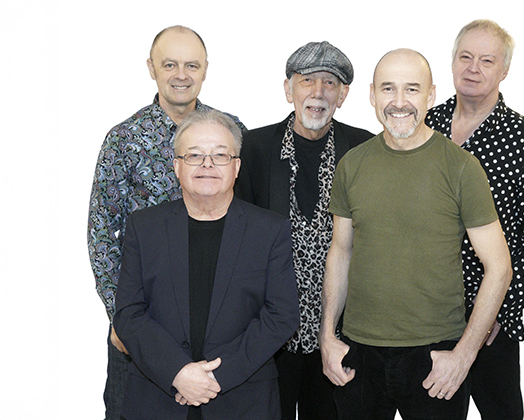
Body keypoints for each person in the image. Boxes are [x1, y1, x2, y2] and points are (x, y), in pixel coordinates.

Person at [319, 48, 513, 420]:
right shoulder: (352, 165)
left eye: (412, 89)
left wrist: (464, 355)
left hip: (435, 356)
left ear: (431, 95)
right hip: (359, 355)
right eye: (389, 89)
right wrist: (328, 337)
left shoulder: (460, 168)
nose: (399, 102)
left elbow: (499, 266)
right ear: (373, 95)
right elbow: (340, 252)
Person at [87, 25, 246, 420]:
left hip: (219, 324)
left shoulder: (231, 132)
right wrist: (120, 316)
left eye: (191, 64)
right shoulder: (124, 140)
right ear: (151, 68)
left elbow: (249, 223)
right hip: (143, 325)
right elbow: (102, 233)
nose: (181, 74)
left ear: (206, 69)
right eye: (169, 64)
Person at [112, 109, 300, 420]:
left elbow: (281, 315)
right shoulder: (143, 227)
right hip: (157, 401)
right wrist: (178, 372)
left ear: (237, 166)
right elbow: (129, 314)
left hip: (243, 402)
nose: (207, 165)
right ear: (177, 166)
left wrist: (214, 378)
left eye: (220, 155)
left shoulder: (269, 230)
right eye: (195, 155)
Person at [425, 20, 524, 420]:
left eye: (486, 60)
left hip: (488, 315)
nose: (473, 68)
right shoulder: (423, 127)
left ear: (504, 71)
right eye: (465, 57)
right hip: (424, 310)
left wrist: (502, 312)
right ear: (452, 63)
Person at [235, 41, 374, 420]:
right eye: (307, 80)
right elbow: (238, 243)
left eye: (330, 83)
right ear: (288, 89)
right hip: (270, 336)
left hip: (341, 337)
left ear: (343, 95)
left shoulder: (363, 149)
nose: (317, 92)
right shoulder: (256, 148)